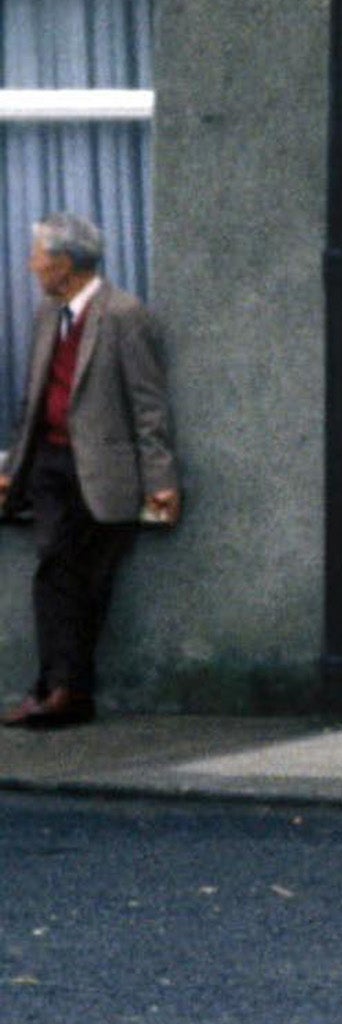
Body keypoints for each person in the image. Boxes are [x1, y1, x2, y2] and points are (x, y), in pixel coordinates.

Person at [0, 211, 180, 729]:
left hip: (105, 471)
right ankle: (58, 691)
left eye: (38, 255)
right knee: (55, 571)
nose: (32, 266)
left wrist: (162, 482)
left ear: (66, 262)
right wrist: (14, 469)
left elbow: (149, 405)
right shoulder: (45, 315)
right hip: (51, 464)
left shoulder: (123, 315)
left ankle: (67, 692)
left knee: (88, 583)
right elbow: (31, 400)